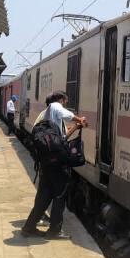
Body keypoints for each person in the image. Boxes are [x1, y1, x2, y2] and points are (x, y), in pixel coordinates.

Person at [21, 91, 87, 239]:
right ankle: (54, 231)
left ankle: (29, 228)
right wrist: (80, 119)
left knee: (44, 197)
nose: (65, 104)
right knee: (60, 196)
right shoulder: (55, 106)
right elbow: (65, 115)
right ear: (61, 99)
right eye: (65, 101)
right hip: (57, 164)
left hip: (46, 163)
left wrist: (76, 127)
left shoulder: (47, 116)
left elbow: (61, 138)